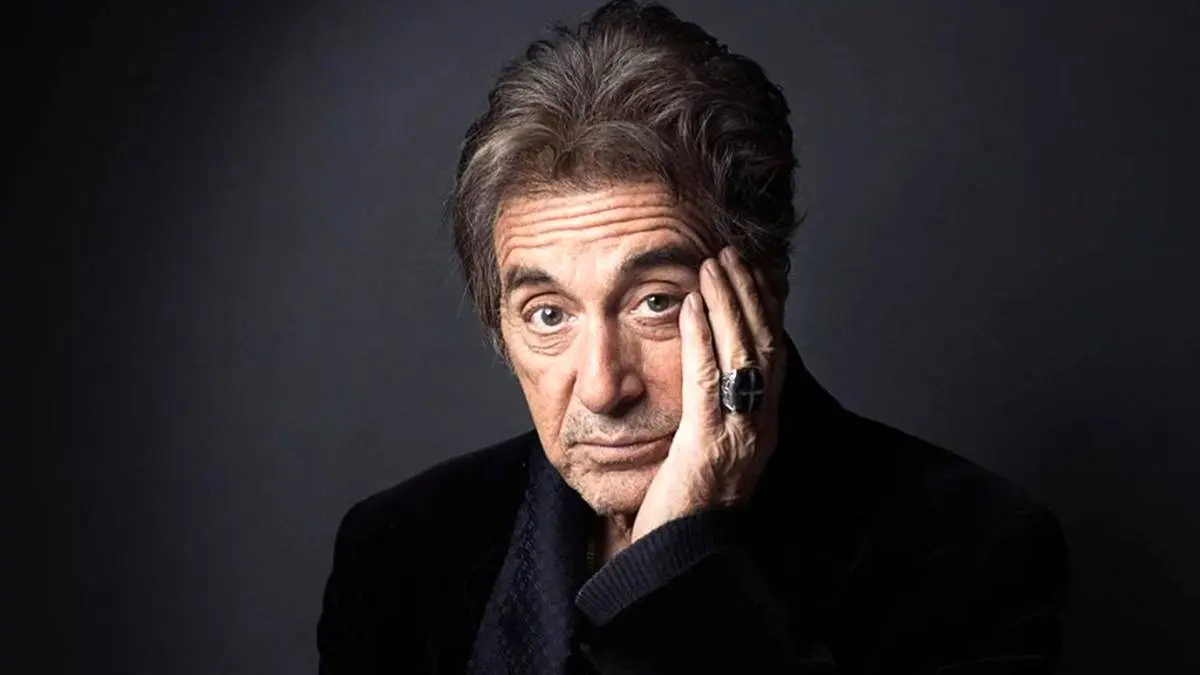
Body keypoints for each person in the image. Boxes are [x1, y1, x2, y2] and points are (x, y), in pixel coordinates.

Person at [316, 2, 1068, 673]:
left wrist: (676, 566)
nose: (603, 387)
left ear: (763, 289)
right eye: (549, 314)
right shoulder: (397, 554)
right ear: (500, 326)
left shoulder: (971, 547)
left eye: (655, 302)